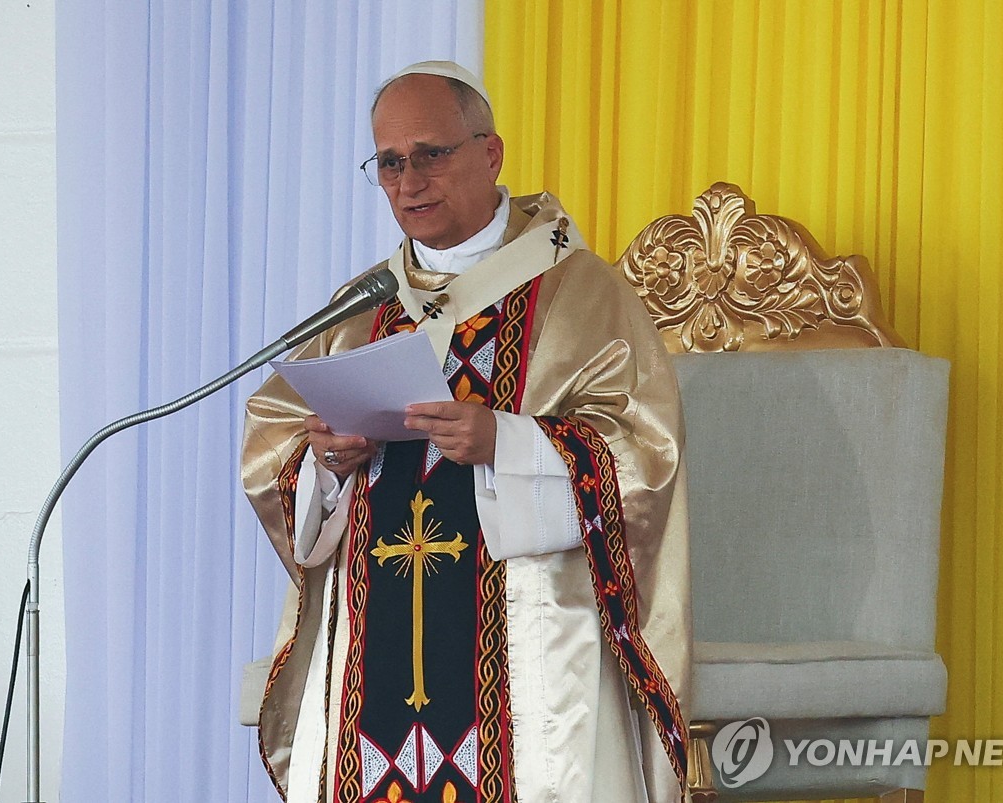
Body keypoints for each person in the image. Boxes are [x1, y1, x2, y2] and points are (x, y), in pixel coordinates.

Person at [242, 60, 691, 803]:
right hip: (372, 657)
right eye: (389, 162)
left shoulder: (583, 293)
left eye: (430, 154)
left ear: (491, 152)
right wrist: (326, 460)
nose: (408, 180)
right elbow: (277, 446)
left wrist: (506, 443)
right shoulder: (357, 310)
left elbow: (644, 456)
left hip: (532, 652)